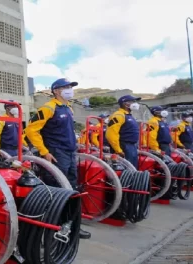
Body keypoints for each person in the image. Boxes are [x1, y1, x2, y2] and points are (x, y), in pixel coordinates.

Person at [25, 78, 91, 239]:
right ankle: (52, 225)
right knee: (56, 189)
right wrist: (44, 151)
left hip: (69, 153)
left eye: (70, 87)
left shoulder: (68, 108)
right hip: (56, 153)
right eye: (66, 87)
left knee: (72, 189)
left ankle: (70, 224)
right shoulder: (48, 108)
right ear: (56, 90)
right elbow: (31, 130)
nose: (70, 89)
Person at [105, 95, 141, 168]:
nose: (134, 103)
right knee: (126, 170)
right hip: (124, 146)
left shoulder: (128, 115)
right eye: (132, 101)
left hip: (132, 146)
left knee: (133, 169)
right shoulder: (118, 115)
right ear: (125, 103)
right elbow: (111, 134)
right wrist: (118, 150)